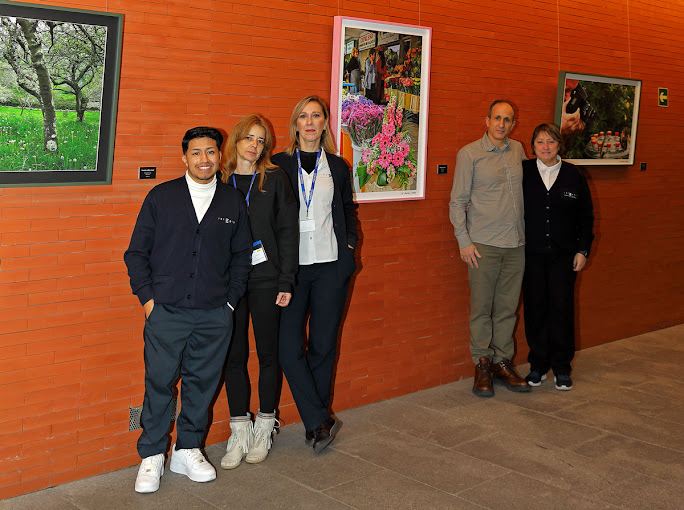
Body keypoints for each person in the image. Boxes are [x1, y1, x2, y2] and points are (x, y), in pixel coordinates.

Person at [124, 127, 252, 494]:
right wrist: (149, 301)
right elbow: (135, 254)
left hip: (214, 314)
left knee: (202, 384)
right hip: (166, 312)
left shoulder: (231, 201)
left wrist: (229, 302)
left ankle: (188, 448)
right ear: (185, 158)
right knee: (160, 383)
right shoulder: (161, 197)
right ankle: (152, 456)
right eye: (196, 153)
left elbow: (243, 255)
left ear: (219, 154)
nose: (204, 160)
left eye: (211, 152)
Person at [272, 95, 358, 453]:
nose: (309, 122)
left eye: (316, 116)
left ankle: (315, 426)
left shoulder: (338, 166)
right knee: (288, 347)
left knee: (323, 345)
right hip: (291, 270)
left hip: (330, 266)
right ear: (295, 124)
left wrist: (350, 248)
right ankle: (318, 416)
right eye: (303, 116)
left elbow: (348, 211)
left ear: (325, 123)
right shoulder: (277, 165)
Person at [220, 115, 298, 469]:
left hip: (268, 279)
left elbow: (287, 232)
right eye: (248, 138)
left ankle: (265, 425)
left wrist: (287, 280)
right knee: (232, 357)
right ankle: (240, 429)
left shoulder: (276, 179)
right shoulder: (219, 180)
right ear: (236, 141)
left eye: (261, 140)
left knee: (268, 355)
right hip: (229, 283)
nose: (254, 145)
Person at [449, 100, 530, 398]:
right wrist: (464, 241)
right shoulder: (469, 154)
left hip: (516, 244)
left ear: (513, 123)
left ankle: (502, 362)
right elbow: (457, 202)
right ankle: (482, 363)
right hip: (482, 245)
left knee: (508, 309)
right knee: (482, 308)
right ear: (487, 120)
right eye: (497, 118)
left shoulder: (519, 150)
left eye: (507, 120)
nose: (502, 124)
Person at [522, 123, 594, 391]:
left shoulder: (574, 175)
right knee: (536, 309)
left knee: (562, 309)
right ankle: (538, 365)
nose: (546, 147)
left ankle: (562, 367)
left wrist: (582, 250)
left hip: (564, 257)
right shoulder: (525, 172)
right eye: (540, 142)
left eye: (551, 141)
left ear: (559, 145)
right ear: (533, 146)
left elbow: (586, 217)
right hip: (532, 256)